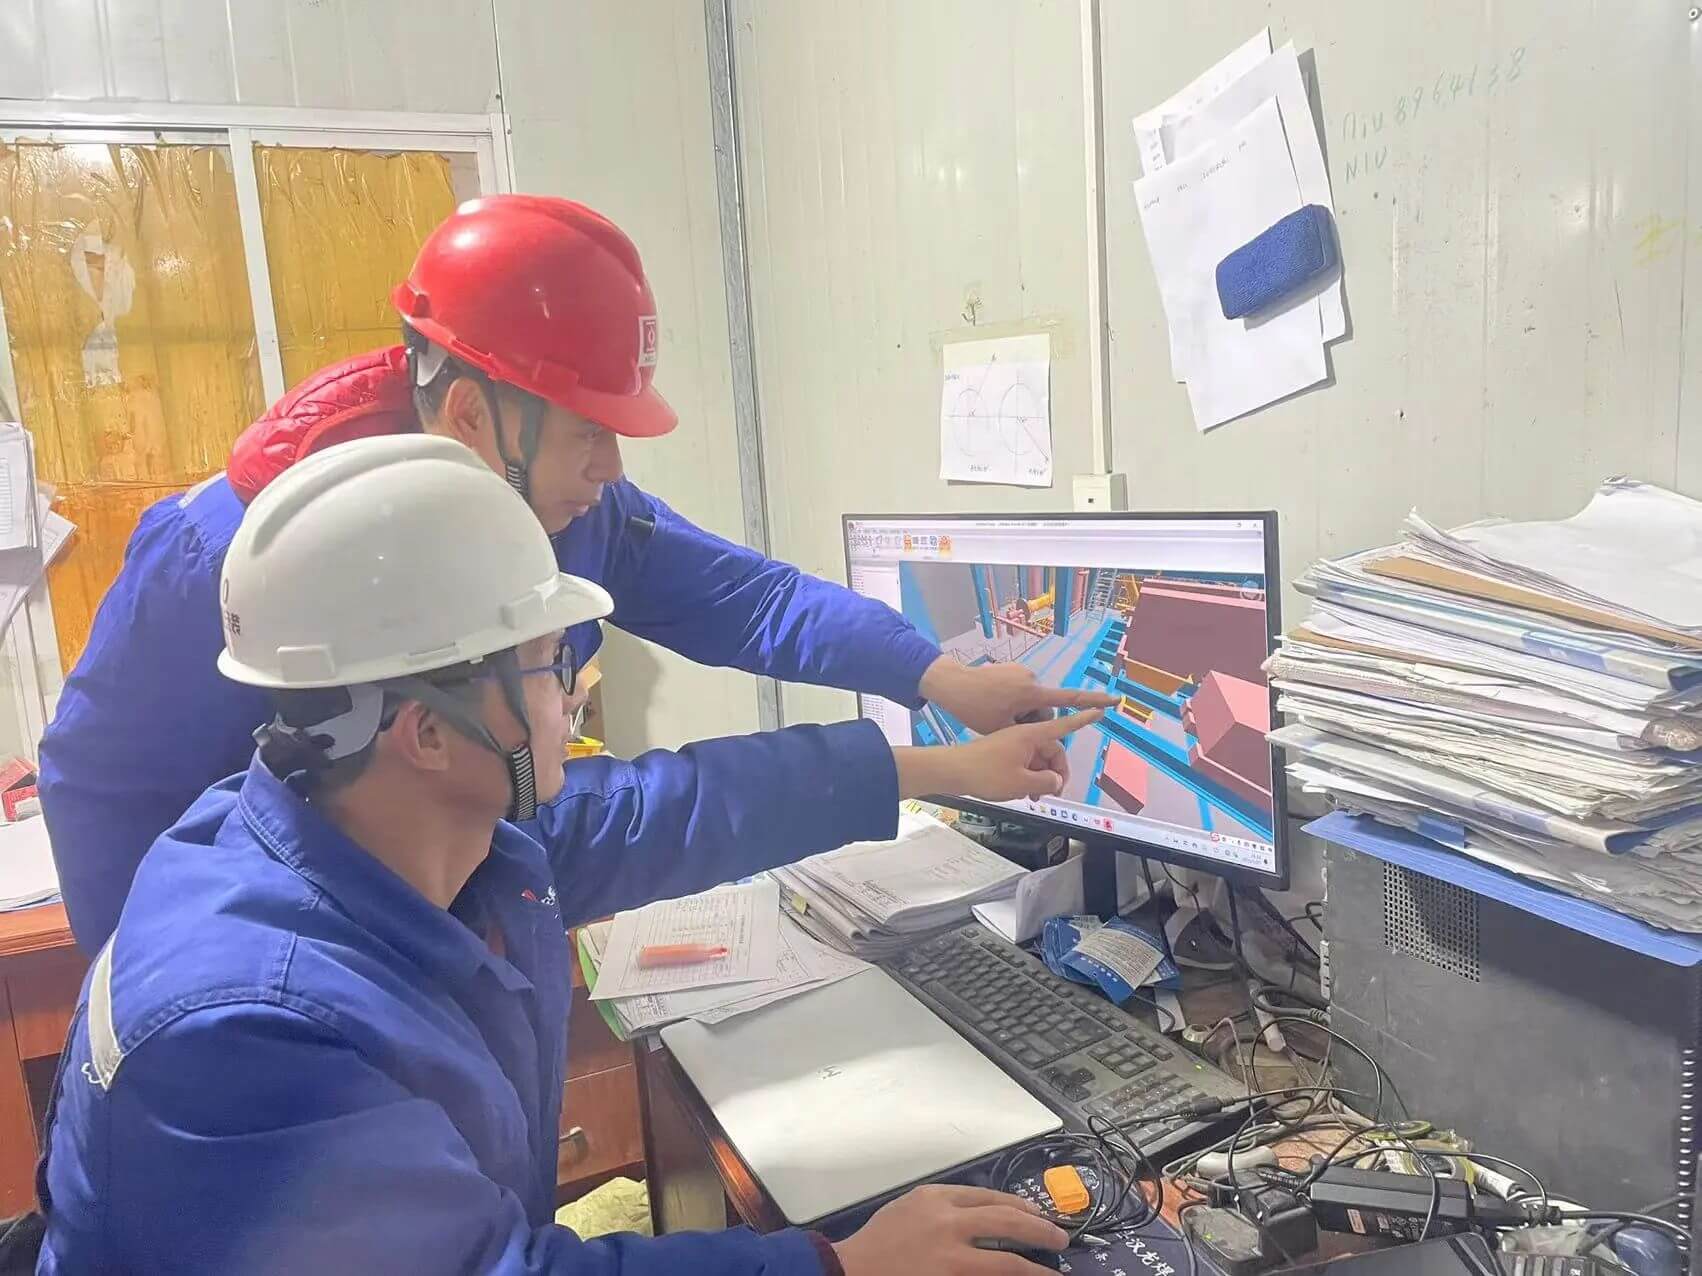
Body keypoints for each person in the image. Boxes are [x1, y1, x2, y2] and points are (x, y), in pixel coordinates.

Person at [35, 435, 1083, 1274]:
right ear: (427, 730)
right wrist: (838, 1264)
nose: (573, 692)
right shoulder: (250, 1035)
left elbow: (672, 810)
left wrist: (944, 768)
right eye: (545, 663)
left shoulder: (368, 825)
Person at [38, 193, 1114, 954]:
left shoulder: (558, 501)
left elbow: (749, 599)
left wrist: (936, 676)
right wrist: (180, 997)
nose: (612, 469)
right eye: (589, 431)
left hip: (454, 924)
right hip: (307, 963)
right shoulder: (237, 556)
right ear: (474, 414)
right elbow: (99, 781)